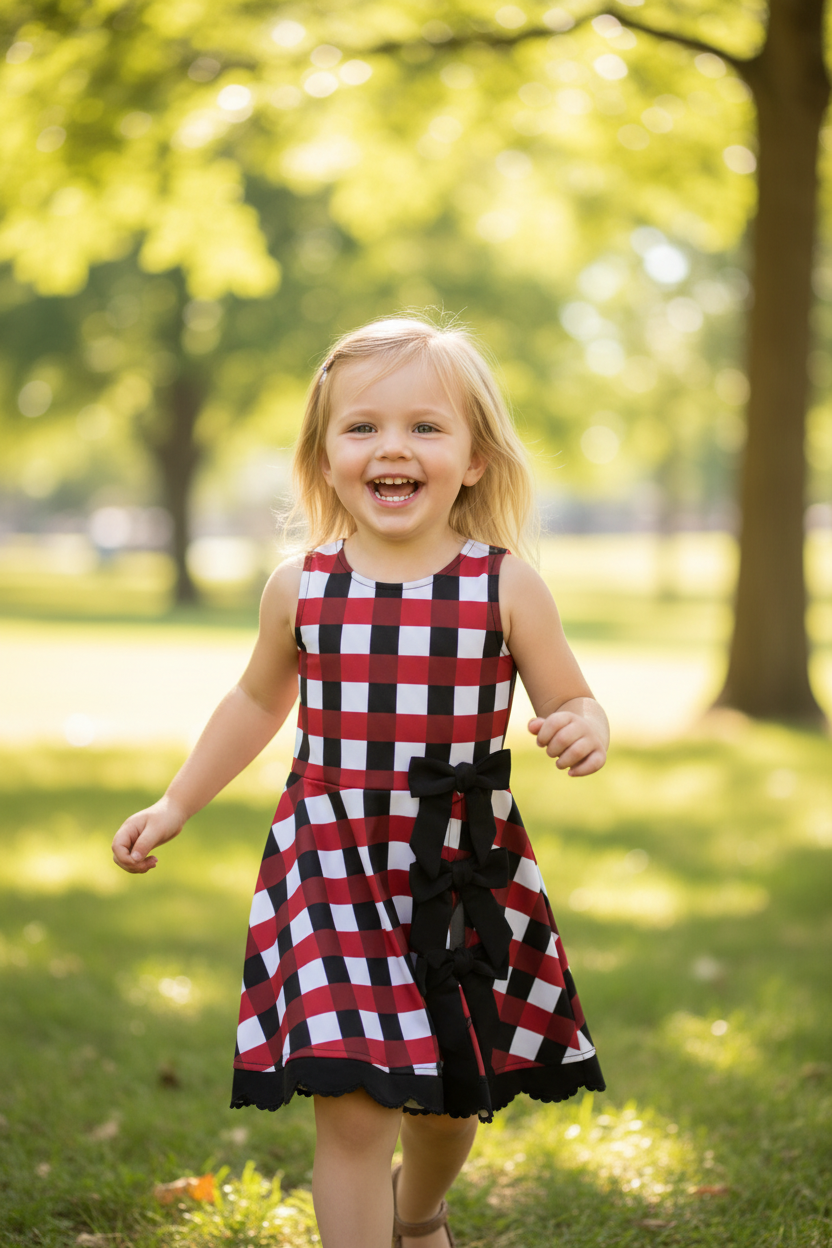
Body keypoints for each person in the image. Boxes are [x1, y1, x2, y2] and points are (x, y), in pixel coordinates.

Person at [112, 316, 609, 1248]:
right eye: (364, 427)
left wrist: (583, 726)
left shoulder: (503, 585)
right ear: (326, 454)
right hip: (331, 863)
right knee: (353, 1100)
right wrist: (177, 800)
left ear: (473, 460)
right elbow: (256, 704)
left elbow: (574, 695)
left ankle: (416, 1215)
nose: (393, 447)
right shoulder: (299, 587)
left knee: (449, 1102)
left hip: (457, 868)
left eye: (426, 427)